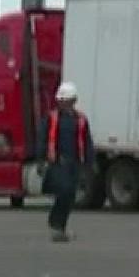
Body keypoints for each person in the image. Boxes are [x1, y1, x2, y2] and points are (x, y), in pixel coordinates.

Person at [46, 83, 93, 241]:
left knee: (71, 196)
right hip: (59, 162)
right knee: (64, 191)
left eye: (66, 100)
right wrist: (41, 159)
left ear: (73, 100)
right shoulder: (52, 118)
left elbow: (87, 142)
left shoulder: (81, 119)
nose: (63, 103)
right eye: (61, 100)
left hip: (74, 163)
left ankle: (61, 226)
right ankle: (55, 221)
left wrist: (89, 163)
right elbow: (42, 139)